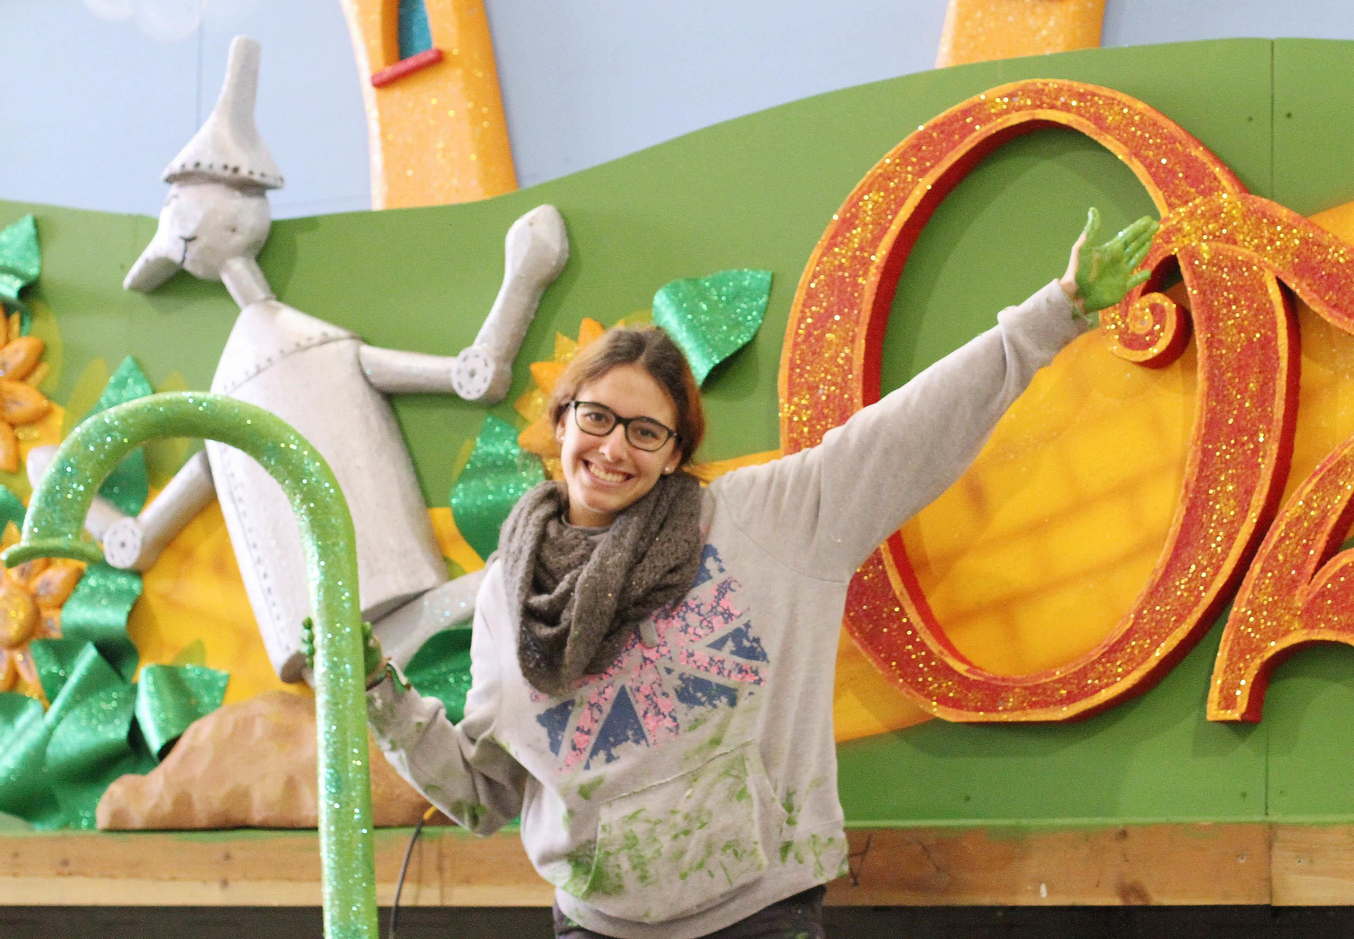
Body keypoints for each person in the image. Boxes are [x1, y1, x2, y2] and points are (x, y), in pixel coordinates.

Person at [328, 210, 1156, 939]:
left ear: (676, 453)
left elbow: (905, 435)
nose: (615, 447)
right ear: (562, 422)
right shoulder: (510, 595)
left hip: (759, 916)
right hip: (595, 927)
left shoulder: (761, 520)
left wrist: (1051, 317)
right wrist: (376, 693)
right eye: (598, 418)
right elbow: (487, 795)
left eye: (646, 433)